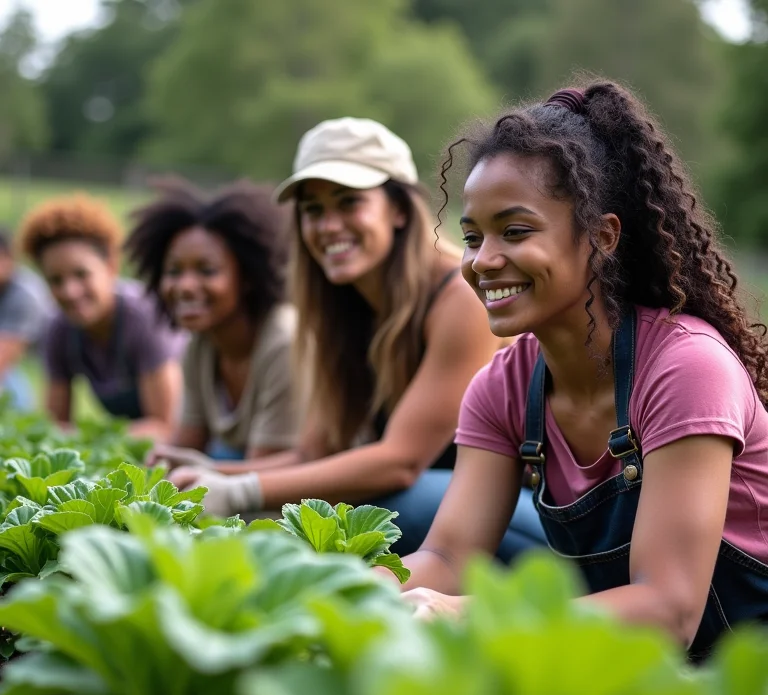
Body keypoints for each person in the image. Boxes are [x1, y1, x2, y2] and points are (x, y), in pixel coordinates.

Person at [392, 81, 768, 659]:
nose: (484, 260)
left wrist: (464, 614)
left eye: (515, 231)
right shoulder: (503, 386)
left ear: (603, 236)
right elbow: (447, 558)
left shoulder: (686, 367)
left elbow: (667, 610)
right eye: (472, 237)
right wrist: (340, 588)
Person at [168, 117, 546, 559]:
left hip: (522, 515)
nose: (328, 226)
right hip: (438, 507)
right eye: (313, 210)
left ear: (399, 210)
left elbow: (400, 462)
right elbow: (315, 453)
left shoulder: (459, 296)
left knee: (369, 505)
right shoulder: (342, 311)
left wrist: (241, 491)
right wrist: (213, 473)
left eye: (348, 203)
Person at [126, 178, 298, 462]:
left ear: (247, 279)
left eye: (207, 270)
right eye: (174, 271)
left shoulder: (283, 341)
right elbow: (187, 446)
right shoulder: (201, 345)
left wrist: (192, 471)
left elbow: (260, 476)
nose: (185, 286)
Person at [17, 193, 186, 439]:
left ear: (110, 267)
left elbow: (165, 426)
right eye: (55, 280)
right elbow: (55, 426)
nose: (70, 291)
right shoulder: (59, 329)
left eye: (81, 274)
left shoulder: (143, 317)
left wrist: (86, 438)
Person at [0, 228, 55, 410]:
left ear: (9, 258)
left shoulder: (24, 295)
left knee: (12, 397)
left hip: (40, 361)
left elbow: (4, 359)